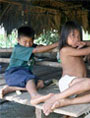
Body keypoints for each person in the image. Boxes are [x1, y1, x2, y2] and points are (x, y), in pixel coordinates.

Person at [0, 26, 58, 105]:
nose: (28, 44)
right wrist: (56, 44)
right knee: (30, 79)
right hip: (13, 73)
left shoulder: (30, 46)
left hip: (23, 74)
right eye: (25, 41)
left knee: (40, 84)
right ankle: (35, 97)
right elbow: (37, 50)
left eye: (30, 41)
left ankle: (11, 88)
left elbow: (38, 47)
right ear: (18, 40)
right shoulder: (19, 48)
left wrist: (41, 46)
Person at [42, 21, 90, 116]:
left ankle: (68, 102)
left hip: (79, 86)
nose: (76, 39)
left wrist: (84, 43)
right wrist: (85, 45)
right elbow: (87, 51)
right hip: (68, 82)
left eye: (78, 36)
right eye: (72, 35)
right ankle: (56, 97)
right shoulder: (64, 50)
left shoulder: (76, 49)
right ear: (64, 36)